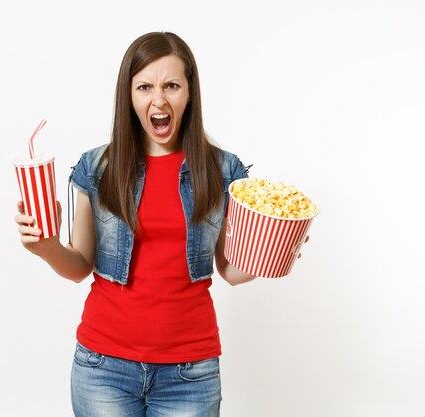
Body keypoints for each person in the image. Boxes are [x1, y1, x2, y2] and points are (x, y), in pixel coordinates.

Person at [15, 31, 258, 417]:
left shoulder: (222, 170)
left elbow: (229, 268)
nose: (158, 100)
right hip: (103, 369)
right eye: (144, 86)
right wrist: (46, 247)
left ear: (190, 93)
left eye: (172, 85)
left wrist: (276, 253)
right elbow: (80, 265)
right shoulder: (97, 168)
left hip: (190, 373)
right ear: (128, 96)